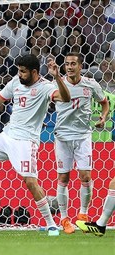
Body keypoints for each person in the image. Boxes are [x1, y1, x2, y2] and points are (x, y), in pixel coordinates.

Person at [0, 54, 71, 236]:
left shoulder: (45, 87)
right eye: (18, 71)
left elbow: (65, 98)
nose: (19, 75)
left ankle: (51, 224)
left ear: (34, 72)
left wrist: (57, 76)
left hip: (26, 142)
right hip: (7, 136)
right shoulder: (15, 83)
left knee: (30, 182)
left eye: (23, 72)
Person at [53, 52, 109, 234]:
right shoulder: (57, 84)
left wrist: (103, 116)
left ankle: (83, 215)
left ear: (80, 66)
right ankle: (64, 218)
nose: (69, 67)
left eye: (73, 64)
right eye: (67, 64)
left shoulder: (90, 84)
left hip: (83, 136)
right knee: (63, 178)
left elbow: (104, 102)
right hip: (62, 137)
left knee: (85, 177)